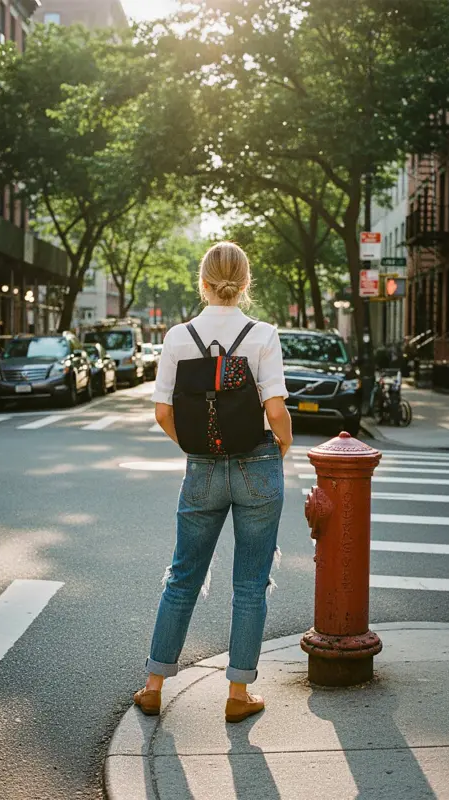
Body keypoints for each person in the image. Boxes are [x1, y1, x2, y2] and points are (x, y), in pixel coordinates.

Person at [134, 241, 293, 724]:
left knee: (182, 576)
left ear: (202, 283)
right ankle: (238, 692)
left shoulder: (178, 337)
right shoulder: (263, 334)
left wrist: (197, 446)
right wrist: (279, 449)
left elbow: (162, 411)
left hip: (203, 466)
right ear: (245, 285)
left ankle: (154, 685)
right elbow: (276, 410)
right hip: (258, 462)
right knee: (250, 582)